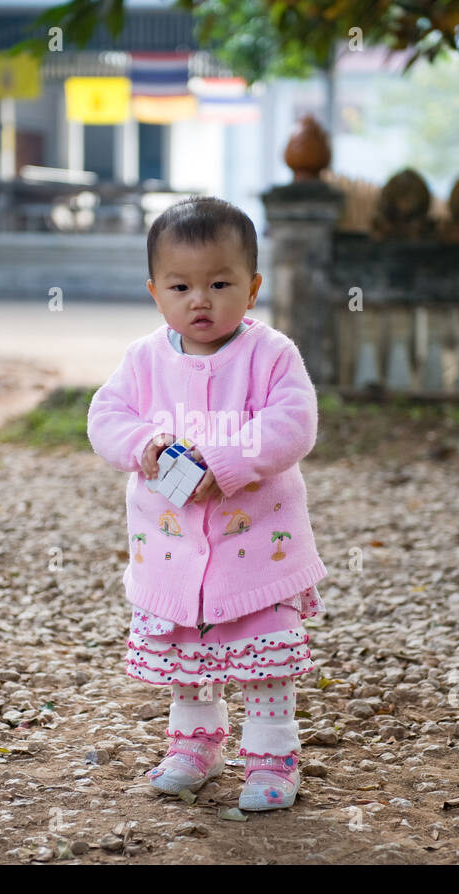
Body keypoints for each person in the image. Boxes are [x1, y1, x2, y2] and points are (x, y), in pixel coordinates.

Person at [87, 196, 327, 811]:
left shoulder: (271, 355)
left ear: (251, 289)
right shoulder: (144, 360)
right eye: (181, 285)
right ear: (155, 291)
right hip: (170, 553)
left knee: (264, 659)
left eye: (220, 283)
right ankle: (194, 744)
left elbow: (293, 423)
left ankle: (273, 756)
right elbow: (105, 416)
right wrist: (144, 445)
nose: (201, 299)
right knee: (186, 656)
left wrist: (228, 465)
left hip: (256, 553)